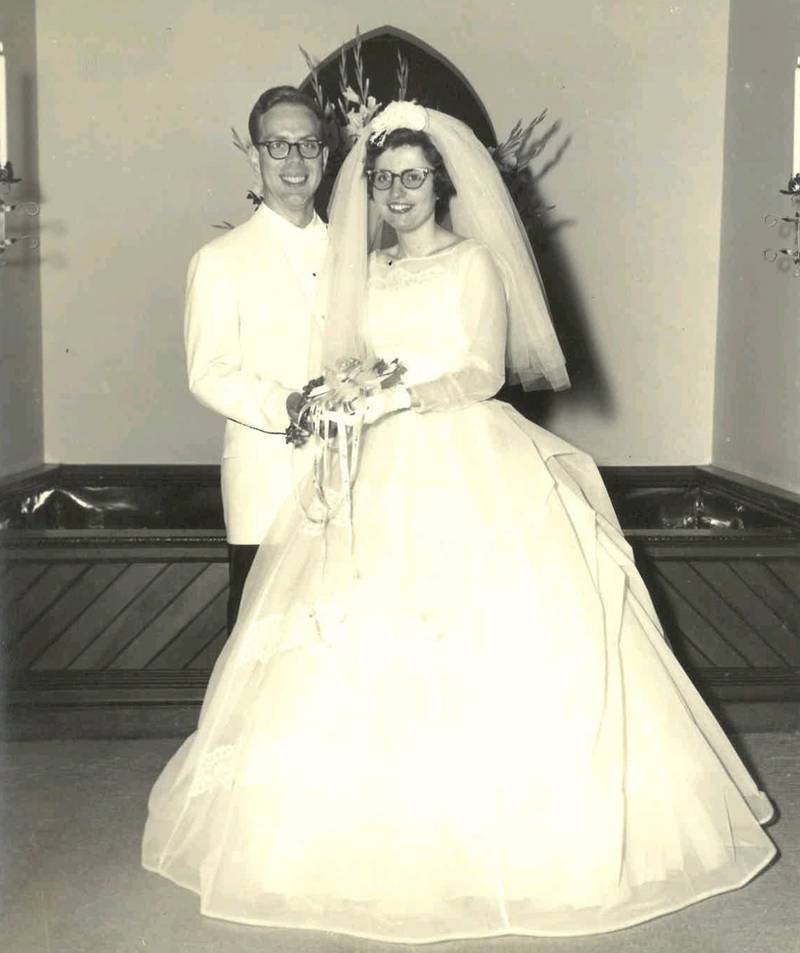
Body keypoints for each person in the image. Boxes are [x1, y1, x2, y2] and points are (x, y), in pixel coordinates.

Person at [144, 102, 777, 943]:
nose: (398, 191)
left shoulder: (475, 262)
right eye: (385, 177)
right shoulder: (355, 268)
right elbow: (324, 359)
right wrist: (348, 394)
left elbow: (482, 367)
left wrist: (397, 395)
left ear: (443, 184)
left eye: (414, 176)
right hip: (363, 466)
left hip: (463, 459)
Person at [184, 85, 328, 632]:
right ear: (255, 157)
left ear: (326, 156)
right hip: (266, 481)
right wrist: (288, 405)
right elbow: (208, 372)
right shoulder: (220, 260)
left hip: (350, 479)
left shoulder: (356, 254)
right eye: (278, 145)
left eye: (308, 145)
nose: (294, 161)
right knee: (259, 642)